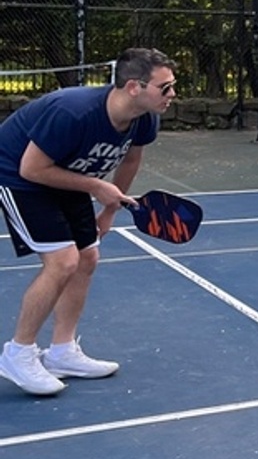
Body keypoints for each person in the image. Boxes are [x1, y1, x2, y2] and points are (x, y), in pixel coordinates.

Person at [0, 48, 176, 395]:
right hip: (18, 175)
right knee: (62, 261)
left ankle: (63, 352)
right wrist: (96, 186)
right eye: (165, 87)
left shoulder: (145, 117)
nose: (173, 94)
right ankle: (17, 353)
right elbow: (31, 168)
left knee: (87, 258)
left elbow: (129, 162)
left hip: (66, 173)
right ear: (133, 87)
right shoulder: (73, 112)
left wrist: (108, 210)